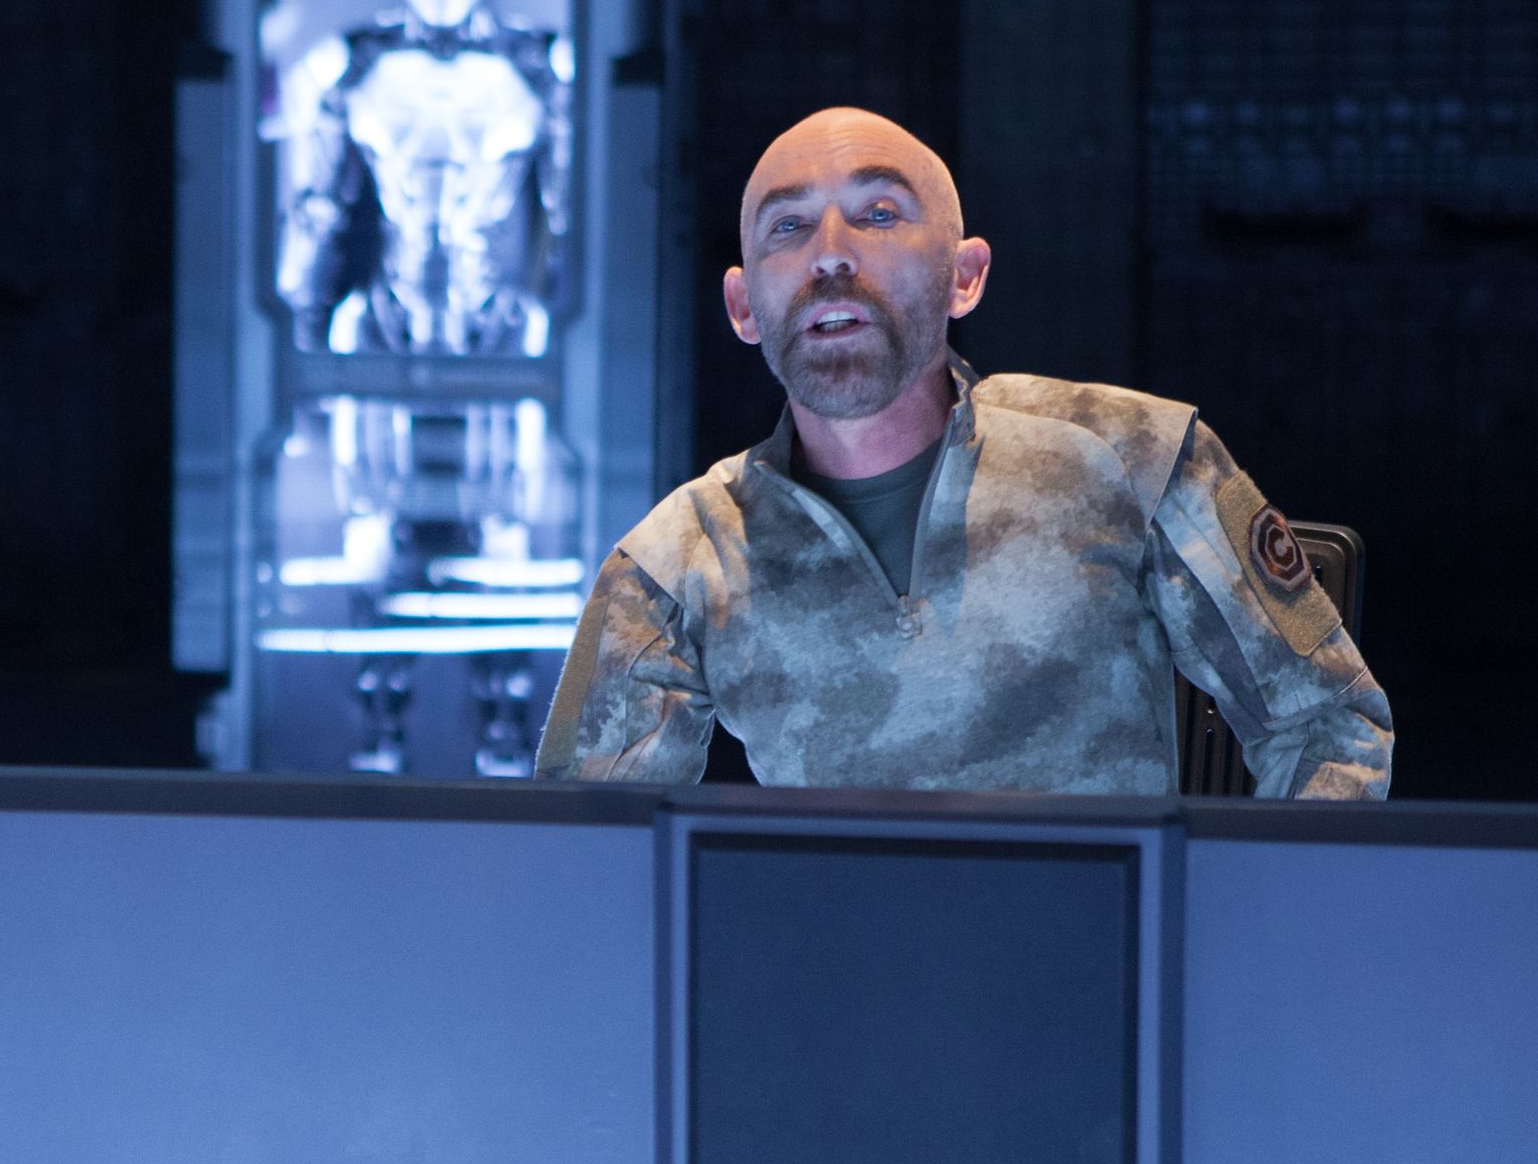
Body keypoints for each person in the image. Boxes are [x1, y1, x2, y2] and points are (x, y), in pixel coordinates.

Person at [536, 107, 1391, 798]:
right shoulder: (674, 559)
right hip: (830, 962)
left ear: (964, 276)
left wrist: (1229, 939)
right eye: (787, 227)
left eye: (878, 214)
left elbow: (1331, 727)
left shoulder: (1136, 453)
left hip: (1104, 953)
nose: (830, 253)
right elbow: (585, 844)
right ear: (743, 306)